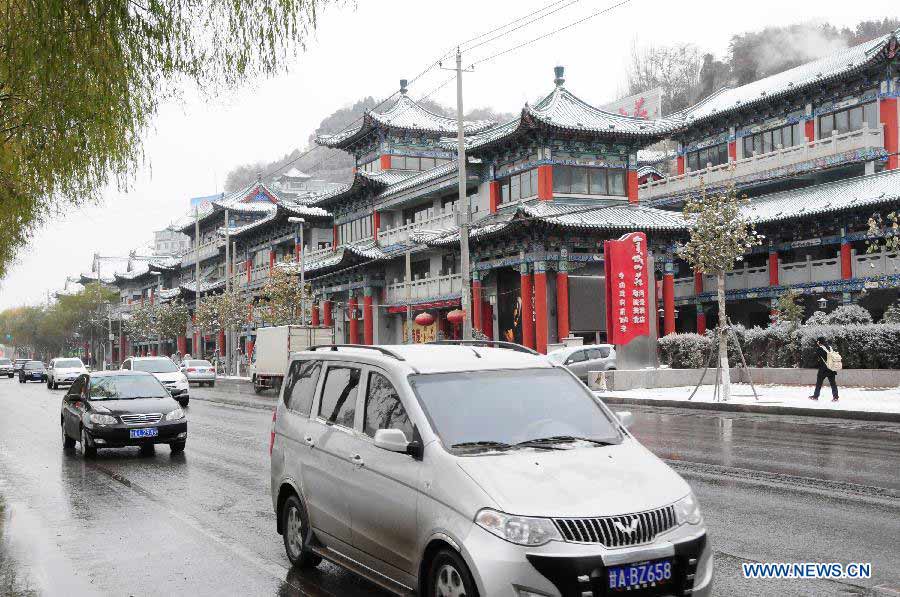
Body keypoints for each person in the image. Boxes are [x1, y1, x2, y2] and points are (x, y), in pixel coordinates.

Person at [809, 336, 839, 402]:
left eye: (818, 341)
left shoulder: (820, 349)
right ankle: (835, 397)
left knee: (819, 383)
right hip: (831, 368)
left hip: (823, 369)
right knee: (833, 384)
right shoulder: (830, 348)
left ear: (819, 342)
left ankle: (815, 396)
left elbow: (815, 357)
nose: (817, 342)